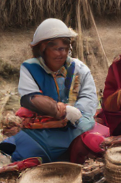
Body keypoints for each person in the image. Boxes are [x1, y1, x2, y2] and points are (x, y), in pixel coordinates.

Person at [0, 19, 98, 163]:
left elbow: (88, 99)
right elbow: (31, 98)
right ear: (41, 50)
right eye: (55, 48)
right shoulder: (30, 68)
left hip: (77, 124)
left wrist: (76, 113)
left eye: (65, 47)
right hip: (42, 126)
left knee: (88, 134)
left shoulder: (79, 69)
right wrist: (61, 110)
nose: (61, 53)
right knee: (25, 145)